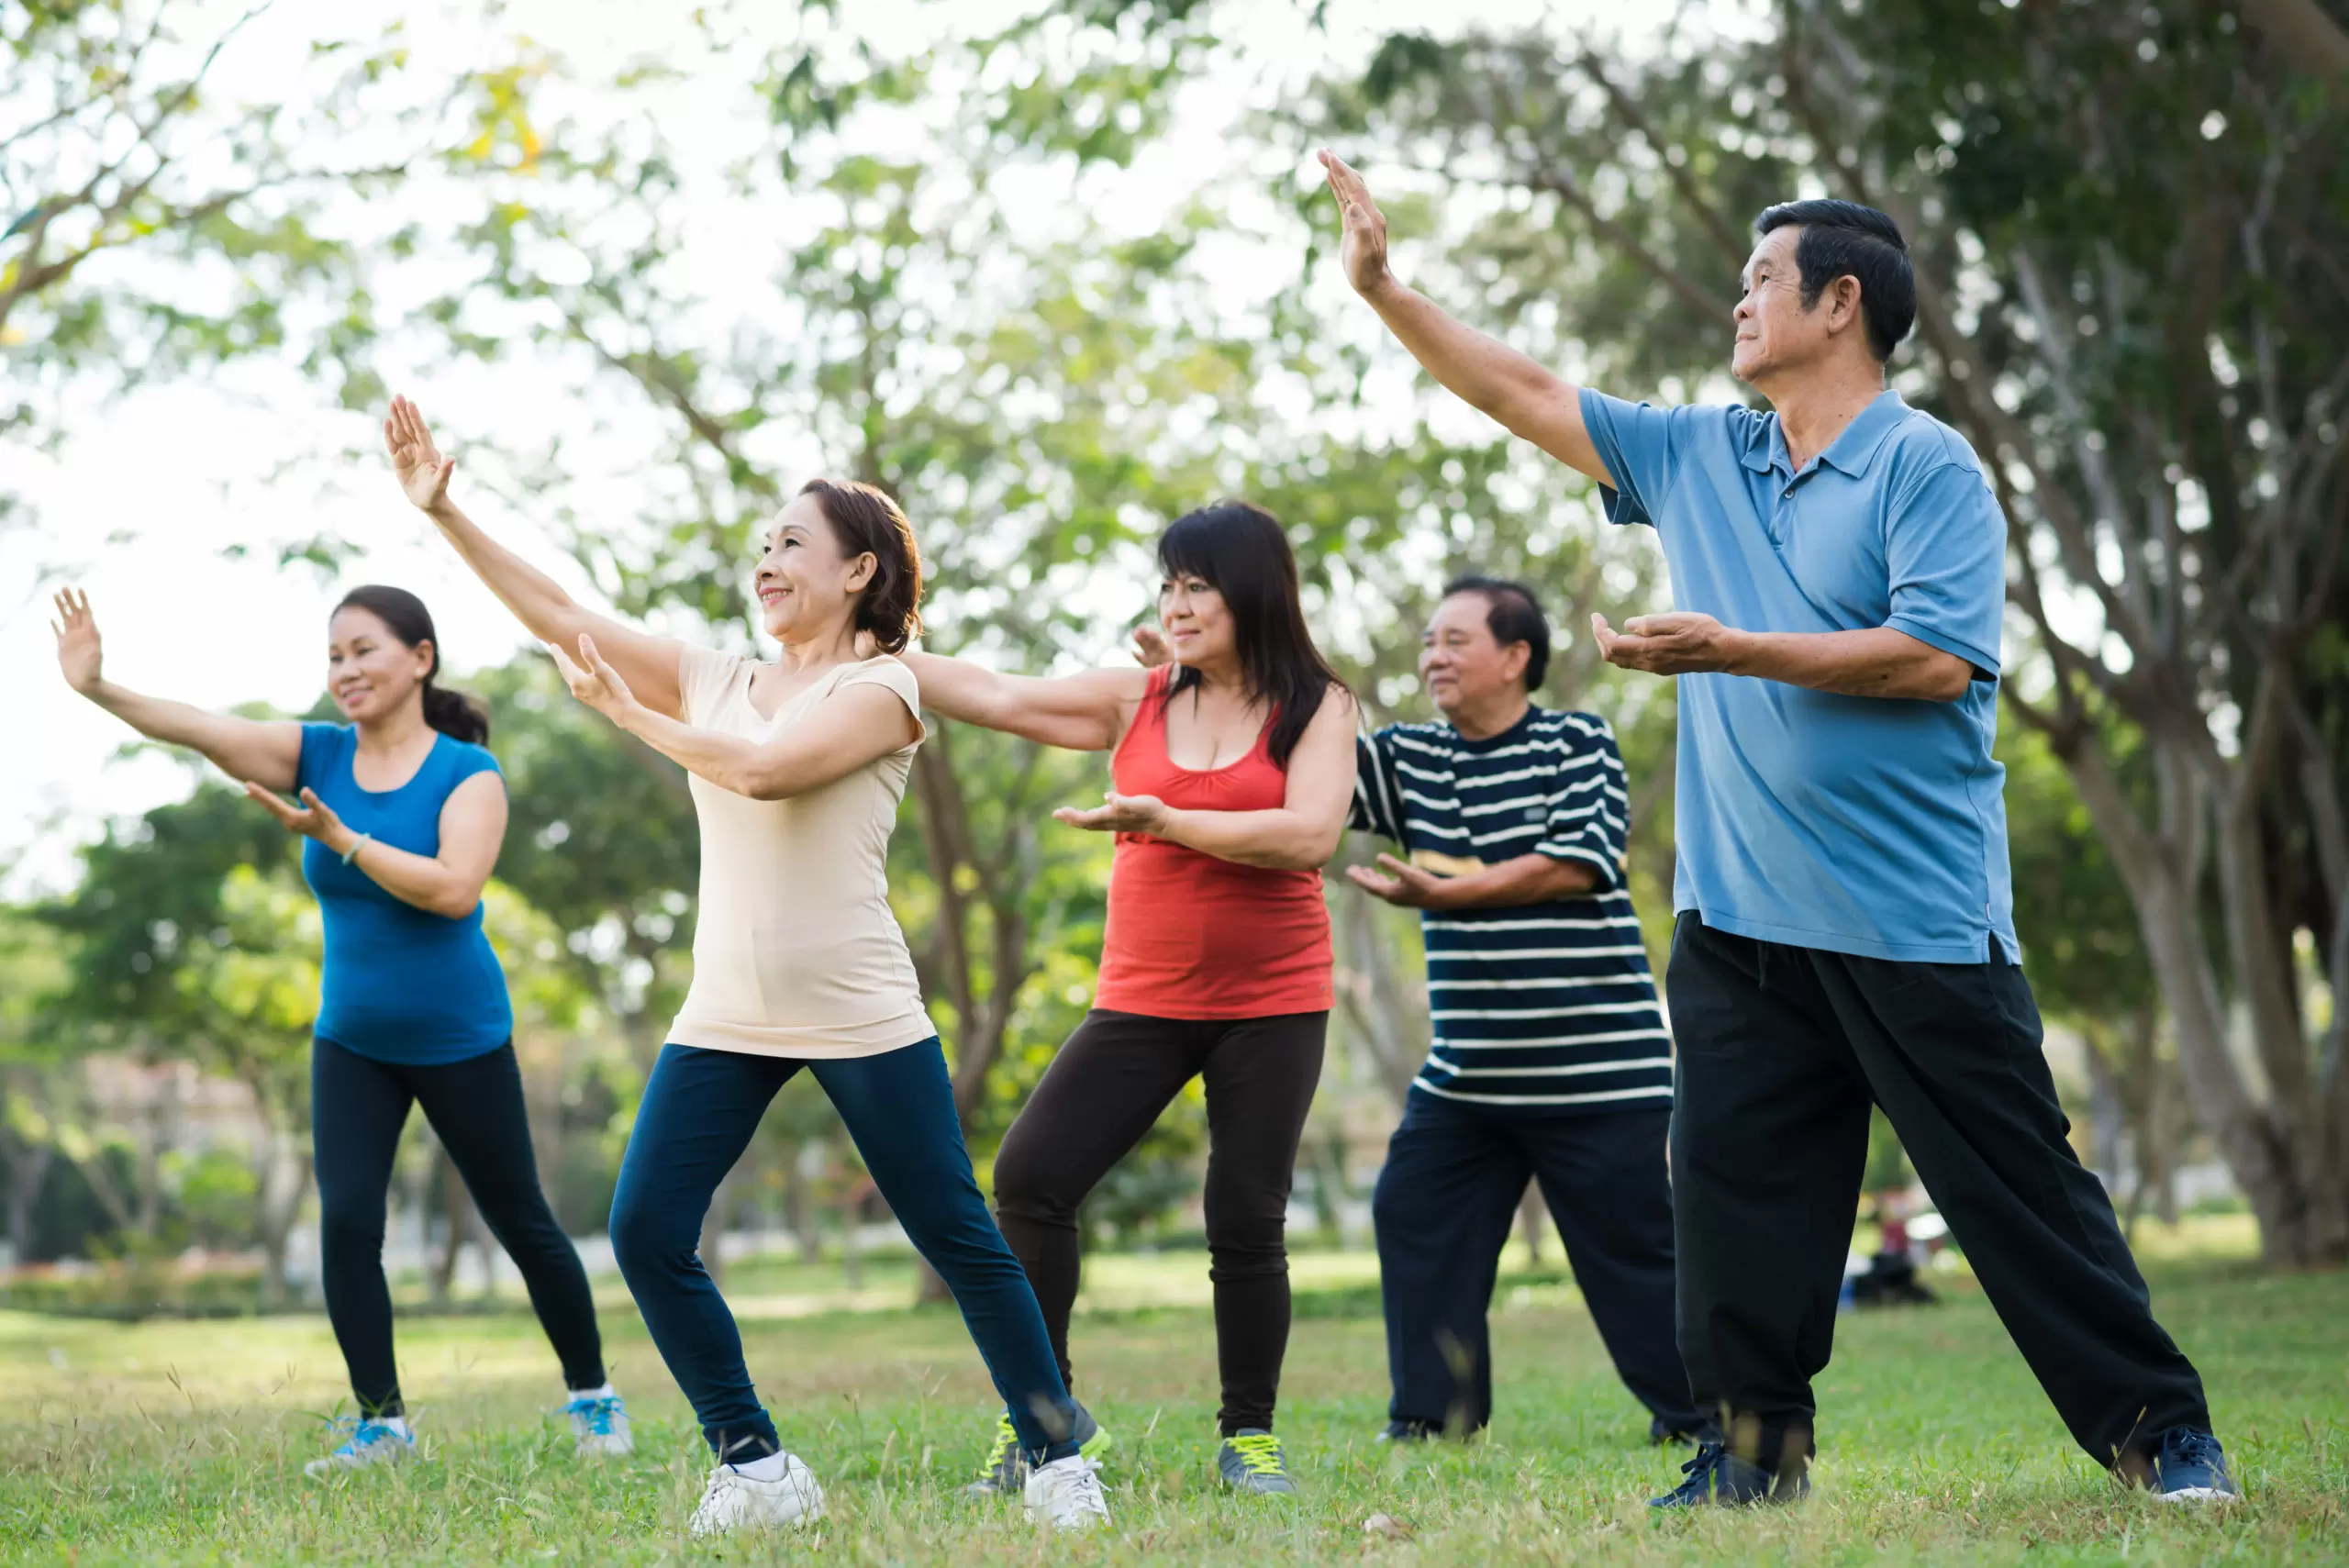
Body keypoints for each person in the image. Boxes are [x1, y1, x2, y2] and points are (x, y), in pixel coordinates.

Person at [1319, 153, 2234, 1507]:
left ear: (1840, 303)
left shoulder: (1925, 467)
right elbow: (1518, 390)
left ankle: (2164, 1434)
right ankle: (1751, 1458)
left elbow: (1930, 657)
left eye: (1762, 282)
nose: (1740, 303)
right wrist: (1388, 289)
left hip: (1914, 918)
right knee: (1735, 1201)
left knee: (2017, 1198)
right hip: (1741, 920)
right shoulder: (1701, 454)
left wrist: (1728, 647)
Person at [380, 395, 1109, 1535]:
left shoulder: (885, 688)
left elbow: (767, 773)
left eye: (792, 544)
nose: (765, 560)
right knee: (644, 1228)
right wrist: (447, 514)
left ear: (860, 568)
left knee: (956, 1234)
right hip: (725, 1009)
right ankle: (758, 1464)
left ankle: (1059, 1452)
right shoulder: (711, 673)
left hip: (858, 1007)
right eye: (762, 543)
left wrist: (629, 715)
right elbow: (558, 613)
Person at [50, 584, 629, 1478]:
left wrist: (344, 835)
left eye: (364, 649)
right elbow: (202, 727)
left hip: (461, 1035)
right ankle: (382, 1423)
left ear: (421, 657)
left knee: (523, 1220)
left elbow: (452, 887)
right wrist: (99, 686)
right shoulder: (316, 751)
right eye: (333, 656)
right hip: (351, 1036)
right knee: (349, 1220)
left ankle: (593, 1397)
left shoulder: (468, 771)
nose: (345, 670)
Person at [898, 500, 1357, 1498]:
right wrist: (871, 643)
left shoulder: (1318, 704)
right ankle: (1044, 1419)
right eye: (1169, 584)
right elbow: (991, 692)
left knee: (1244, 1211)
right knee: (1029, 1175)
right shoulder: (1137, 698)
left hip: (1272, 997)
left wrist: (1166, 816)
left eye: (1198, 583)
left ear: (1253, 590)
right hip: (1142, 997)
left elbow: (1310, 833)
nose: (1178, 603)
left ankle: (1250, 1438)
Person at [1343, 576, 1707, 1448]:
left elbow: (1578, 859)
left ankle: (1701, 1415)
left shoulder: (1574, 740)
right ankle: (1434, 1417)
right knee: (1411, 1209)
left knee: (1633, 1255)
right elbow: (1310, 777)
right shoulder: (1408, 759)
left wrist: (1448, 891)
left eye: (1455, 641)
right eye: (1428, 641)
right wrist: (1203, 689)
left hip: (1599, 1070)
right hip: (1468, 1077)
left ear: (1516, 657)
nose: (1433, 656)